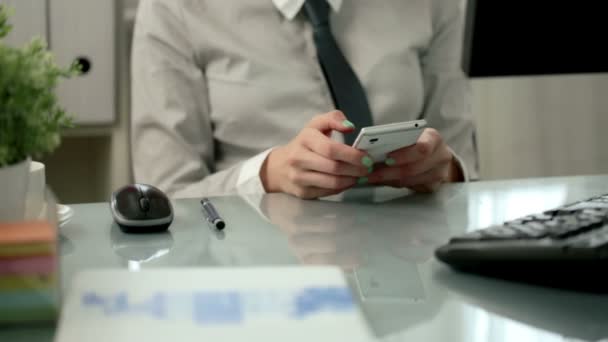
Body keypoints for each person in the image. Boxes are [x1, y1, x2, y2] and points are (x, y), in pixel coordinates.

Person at [131, 0, 478, 199]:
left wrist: (444, 170)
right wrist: (266, 176)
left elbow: (466, 170)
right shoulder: (174, 8)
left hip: (411, 277)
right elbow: (162, 199)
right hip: (253, 286)